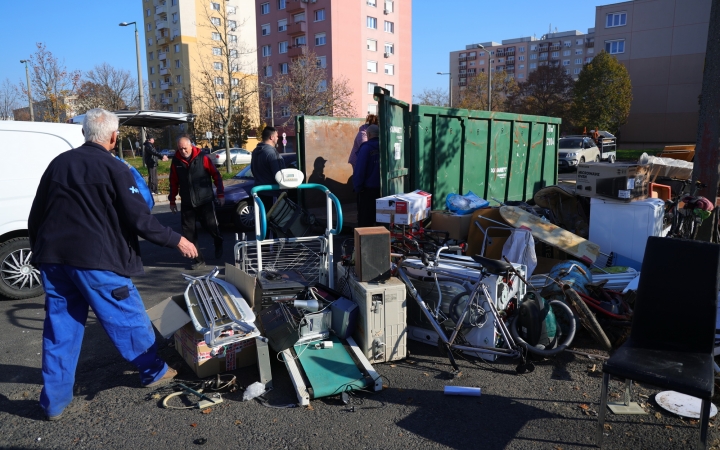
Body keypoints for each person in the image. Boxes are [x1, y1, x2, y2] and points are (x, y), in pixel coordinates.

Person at [28, 108, 198, 421]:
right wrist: (178, 240)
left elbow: (36, 216)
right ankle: (153, 369)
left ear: (84, 134)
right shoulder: (114, 167)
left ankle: (54, 402)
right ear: (114, 137)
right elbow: (140, 219)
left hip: (54, 260)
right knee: (127, 316)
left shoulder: (57, 164)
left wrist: (40, 251)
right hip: (96, 260)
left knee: (60, 330)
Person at [169, 135, 225, 269]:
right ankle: (198, 259)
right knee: (188, 233)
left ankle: (218, 240)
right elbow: (173, 182)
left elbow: (216, 175)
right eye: (180, 149)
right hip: (188, 202)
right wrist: (172, 200)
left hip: (204, 199)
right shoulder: (176, 161)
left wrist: (220, 194)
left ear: (191, 146)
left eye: (185, 148)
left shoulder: (203, 158)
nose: (183, 151)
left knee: (210, 226)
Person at [250, 126, 286, 214]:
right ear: (271, 137)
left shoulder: (255, 151)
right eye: (277, 136)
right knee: (272, 221)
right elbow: (278, 176)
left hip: (259, 192)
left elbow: (253, 170)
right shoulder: (272, 153)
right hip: (272, 194)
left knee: (262, 221)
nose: (278, 138)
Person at [353, 124, 381, 227]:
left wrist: (357, 187)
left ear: (368, 134)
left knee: (365, 220)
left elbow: (359, 170)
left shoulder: (366, 148)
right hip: (383, 191)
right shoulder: (385, 146)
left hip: (368, 190)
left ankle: (364, 242)